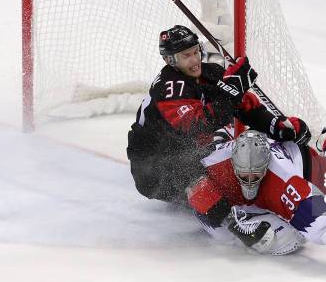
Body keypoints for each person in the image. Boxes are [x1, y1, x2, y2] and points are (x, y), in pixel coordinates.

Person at [127, 25, 311, 204]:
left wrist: (277, 127)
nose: (194, 59)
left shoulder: (210, 73)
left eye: (195, 51)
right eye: (186, 56)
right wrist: (231, 92)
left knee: (248, 150)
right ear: (170, 60)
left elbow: (245, 106)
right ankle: (232, 223)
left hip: (185, 154)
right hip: (154, 170)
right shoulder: (169, 87)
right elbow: (196, 125)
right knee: (208, 176)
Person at [187, 129, 326, 271]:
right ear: (233, 164)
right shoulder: (216, 167)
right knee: (248, 237)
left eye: (256, 175)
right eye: (244, 175)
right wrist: (227, 219)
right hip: (253, 198)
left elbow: (308, 204)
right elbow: (191, 185)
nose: (250, 181)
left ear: (266, 166)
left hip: (305, 164)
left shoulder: (280, 175)